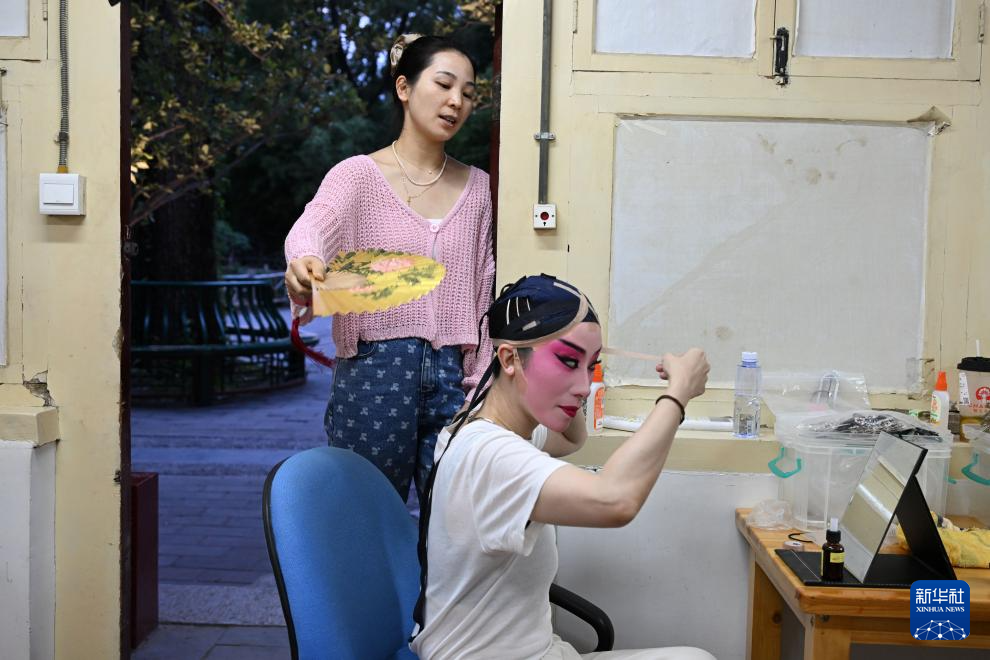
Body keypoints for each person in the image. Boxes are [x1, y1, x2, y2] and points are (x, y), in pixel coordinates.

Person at [410, 274, 715, 660]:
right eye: (568, 361)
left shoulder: (484, 428)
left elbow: (572, 439)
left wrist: (572, 367)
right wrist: (678, 393)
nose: (585, 386)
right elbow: (616, 499)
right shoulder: (489, 456)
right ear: (509, 359)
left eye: (590, 367)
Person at [284, 34, 495, 506]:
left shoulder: (480, 189)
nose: (456, 101)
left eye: (467, 93)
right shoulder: (356, 176)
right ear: (404, 87)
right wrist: (303, 262)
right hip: (373, 374)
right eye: (443, 84)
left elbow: (483, 291)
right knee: (367, 515)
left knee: (454, 523)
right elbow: (312, 226)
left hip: (454, 380)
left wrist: (479, 387)